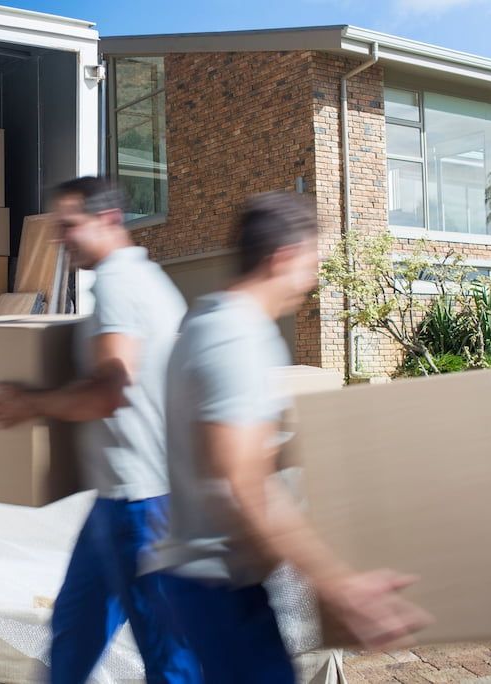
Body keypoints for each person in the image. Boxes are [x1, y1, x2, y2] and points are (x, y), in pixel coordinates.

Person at [146, 191, 432, 682]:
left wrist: (311, 441)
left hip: (217, 582)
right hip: (218, 586)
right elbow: (243, 482)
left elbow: (228, 457)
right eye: (312, 262)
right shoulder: (236, 337)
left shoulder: (207, 321)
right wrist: (340, 585)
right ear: (283, 258)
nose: (315, 278)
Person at [0, 177, 200, 684]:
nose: (61, 238)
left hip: (143, 504)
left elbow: (110, 390)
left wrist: (29, 404)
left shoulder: (124, 285)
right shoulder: (145, 279)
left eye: (70, 225)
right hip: (118, 499)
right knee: (75, 631)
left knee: (169, 659)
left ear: (109, 220)